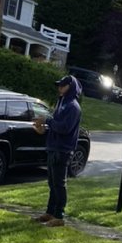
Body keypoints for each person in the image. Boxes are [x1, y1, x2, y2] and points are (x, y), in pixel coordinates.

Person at [32, 74, 83, 227]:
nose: (59, 88)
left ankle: (59, 215)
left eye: (63, 85)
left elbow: (65, 128)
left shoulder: (73, 107)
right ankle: (50, 212)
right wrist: (44, 130)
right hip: (53, 146)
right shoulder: (61, 102)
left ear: (70, 87)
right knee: (52, 183)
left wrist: (47, 121)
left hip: (63, 150)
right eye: (59, 85)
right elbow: (55, 125)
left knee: (59, 184)